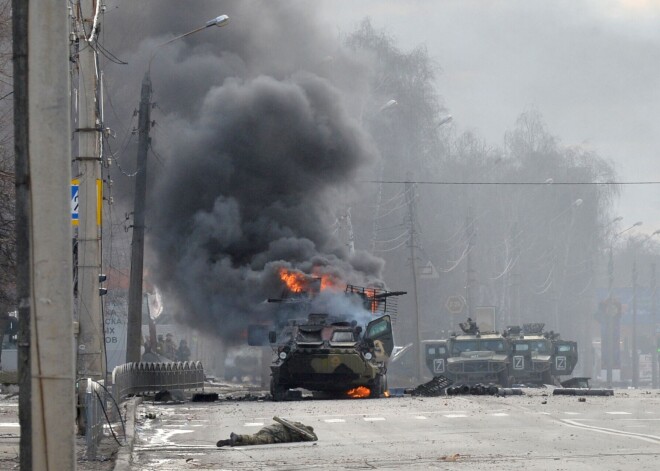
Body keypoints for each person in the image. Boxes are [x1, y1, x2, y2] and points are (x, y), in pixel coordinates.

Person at [216, 419, 317, 447]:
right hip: (276, 435)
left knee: (254, 439)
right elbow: (314, 438)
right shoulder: (303, 430)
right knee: (256, 440)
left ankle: (230, 441)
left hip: (269, 429)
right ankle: (238, 437)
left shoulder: (294, 424)